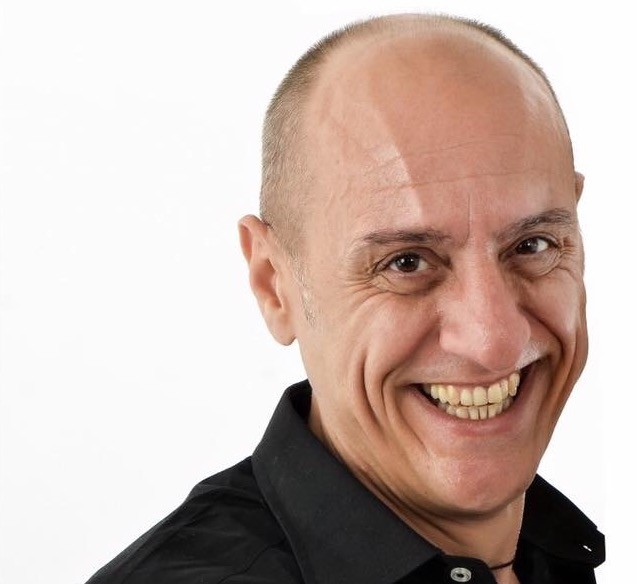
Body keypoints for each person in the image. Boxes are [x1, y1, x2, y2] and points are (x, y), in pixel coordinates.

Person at [87, 12, 604, 584]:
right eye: (406, 262)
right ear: (273, 282)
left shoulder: (542, 556)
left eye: (532, 245)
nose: (492, 340)